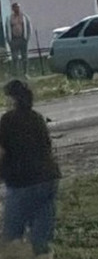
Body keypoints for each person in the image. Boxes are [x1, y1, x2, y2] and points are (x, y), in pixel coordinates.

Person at [0, 80, 60, 258]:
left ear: (12, 99)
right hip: (49, 179)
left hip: (22, 182)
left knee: (11, 236)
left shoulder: (6, 121)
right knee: (41, 238)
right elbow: (47, 146)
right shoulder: (37, 117)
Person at [4, 4, 32, 78]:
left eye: (18, 7)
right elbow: (7, 29)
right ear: (13, 9)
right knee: (15, 58)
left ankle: (25, 73)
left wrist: (27, 38)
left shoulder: (25, 17)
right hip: (14, 40)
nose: (17, 9)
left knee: (24, 57)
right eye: (15, 7)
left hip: (23, 39)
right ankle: (16, 74)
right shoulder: (9, 18)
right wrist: (9, 40)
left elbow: (29, 27)